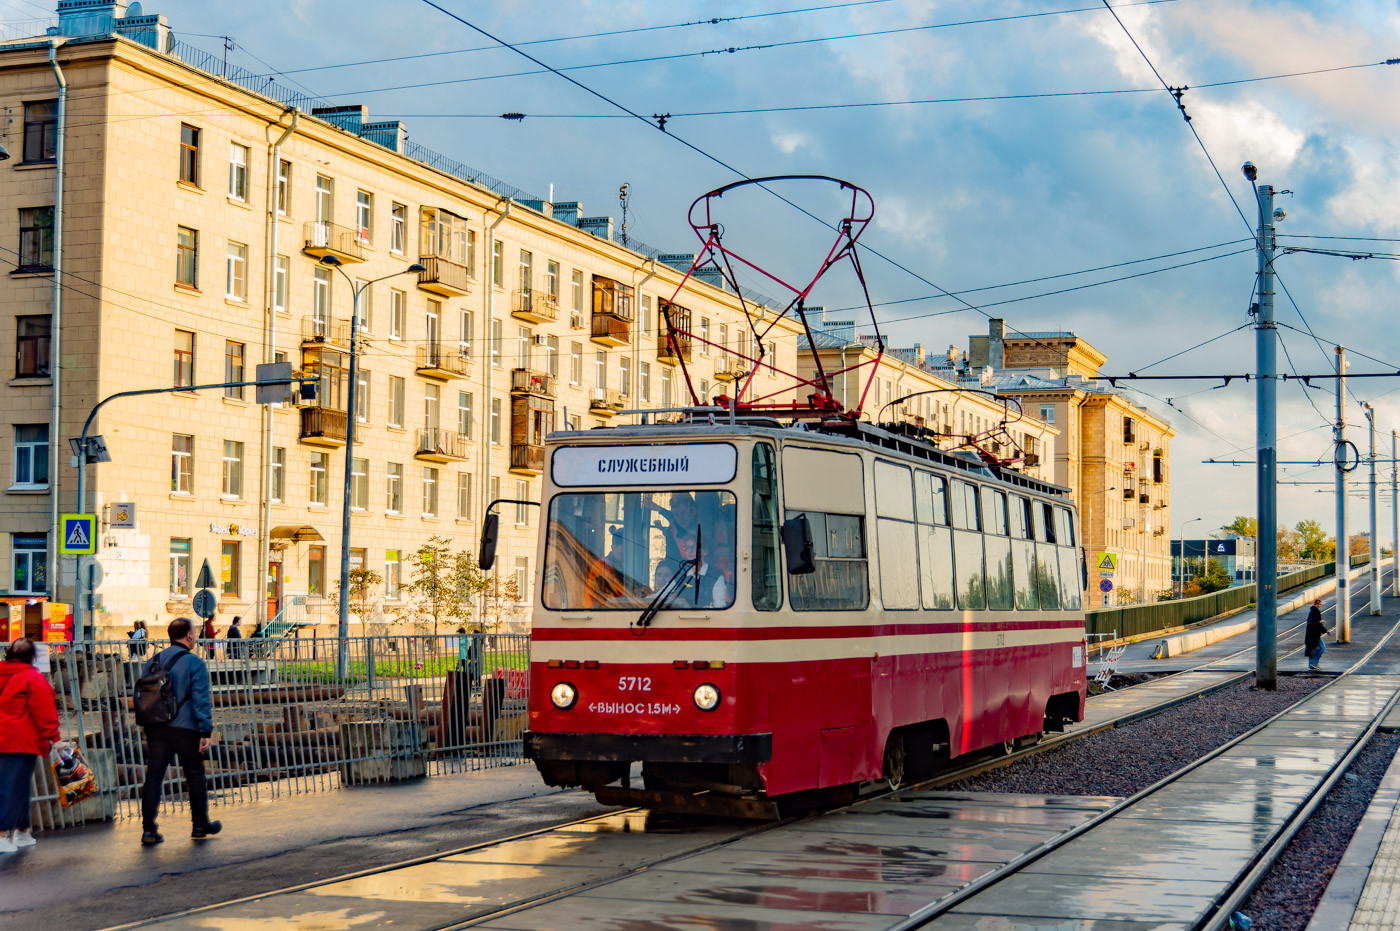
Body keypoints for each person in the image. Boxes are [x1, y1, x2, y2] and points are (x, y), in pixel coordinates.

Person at [138, 617, 220, 845]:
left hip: (156, 729)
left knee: (153, 777)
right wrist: (205, 730)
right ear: (189, 636)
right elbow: (200, 699)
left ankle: (148, 830)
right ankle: (200, 825)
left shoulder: (153, 661)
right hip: (185, 729)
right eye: (194, 632)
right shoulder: (195, 663)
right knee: (194, 775)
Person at [0, 638, 61, 853]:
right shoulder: (33, 678)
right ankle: (3, 834)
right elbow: (44, 711)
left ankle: (23, 831)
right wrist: (55, 737)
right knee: (12, 788)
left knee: (16, 786)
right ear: (32, 657)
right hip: (19, 741)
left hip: (5, 739)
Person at [1305, 598, 1329, 671]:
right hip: (1313, 635)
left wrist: (1325, 631)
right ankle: (1314, 663)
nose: (1319, 605)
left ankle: (1311, 665)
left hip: (1313, 634)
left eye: (1320, 604)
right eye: (1317, 604)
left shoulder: (1315, 611)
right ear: (1314, 604)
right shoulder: (1314, 612)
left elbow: (1318, 624)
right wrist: (1319, 622)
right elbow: (1310, 623)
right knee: (1322, 647)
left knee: (1312, 649)